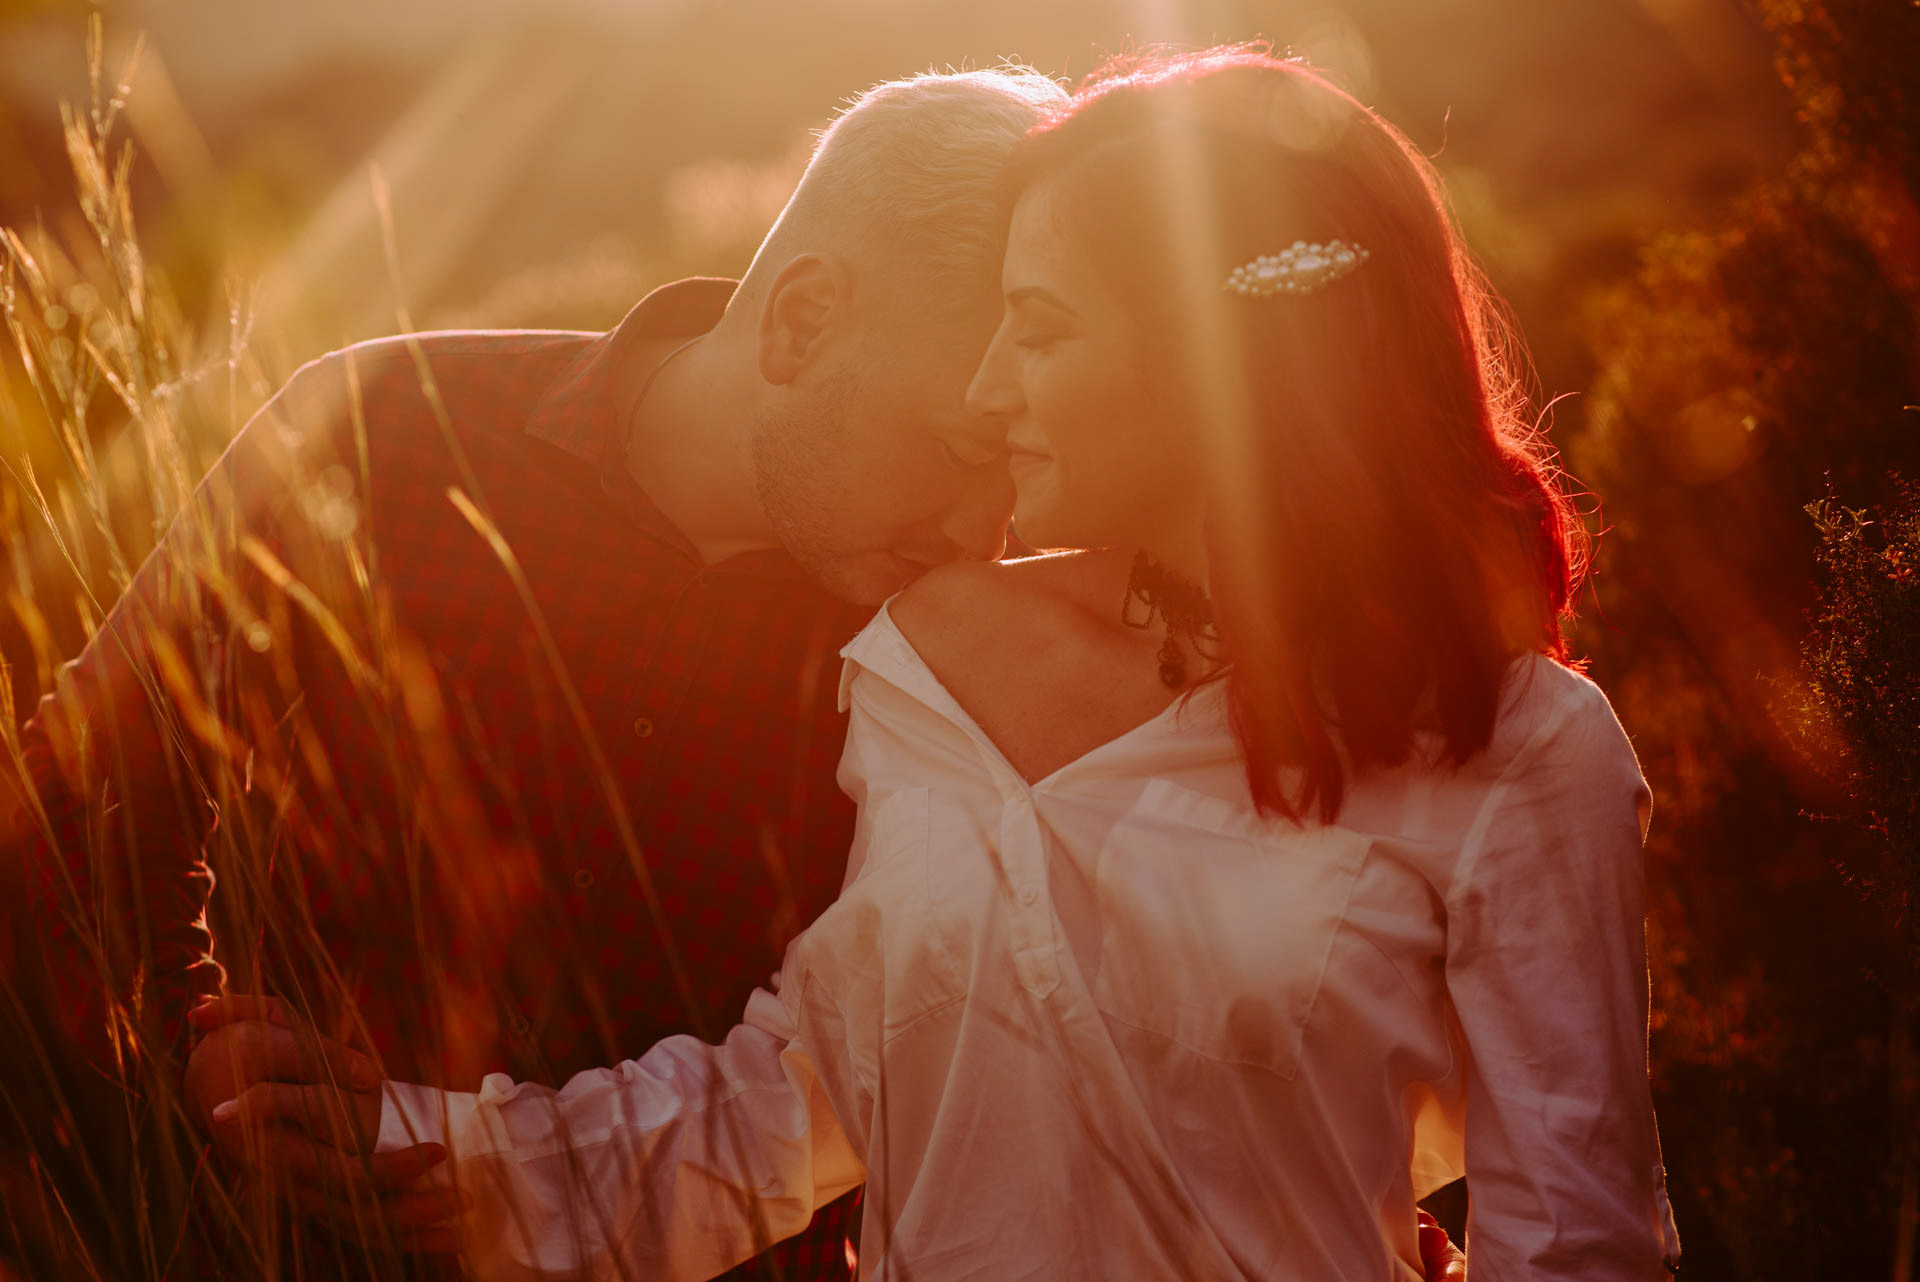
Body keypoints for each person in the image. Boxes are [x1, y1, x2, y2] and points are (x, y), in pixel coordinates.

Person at [197, 45, 1679, 1281]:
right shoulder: (921, 664)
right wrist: (413, 1141)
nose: (989, 384)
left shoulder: (1528, 747)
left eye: (1037, 328)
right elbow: (793, 1106)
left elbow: (1581, 1234)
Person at [0, 67, 1068, 1278]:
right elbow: (82, 780)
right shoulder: (383, 424)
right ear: (802, 320)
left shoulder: (971, 634)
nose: (992, 527)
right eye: (963, 449)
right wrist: (195, 1041)